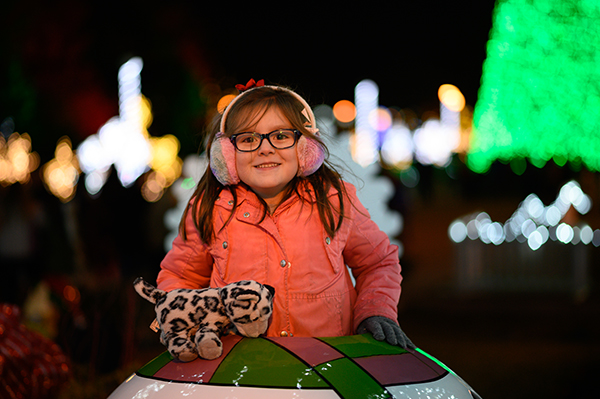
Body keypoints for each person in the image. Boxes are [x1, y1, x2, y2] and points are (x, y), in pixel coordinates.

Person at [157, 79, 415, 349]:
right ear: (227, 155)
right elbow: (181, 277)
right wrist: (182, 324)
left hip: (326, 367)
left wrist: (375, 310)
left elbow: (377, 263)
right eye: (248, 139)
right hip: (238, 370)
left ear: (305, 148)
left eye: (281, 136)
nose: (264, 148)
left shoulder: (335, 201)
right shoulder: (211, 209)